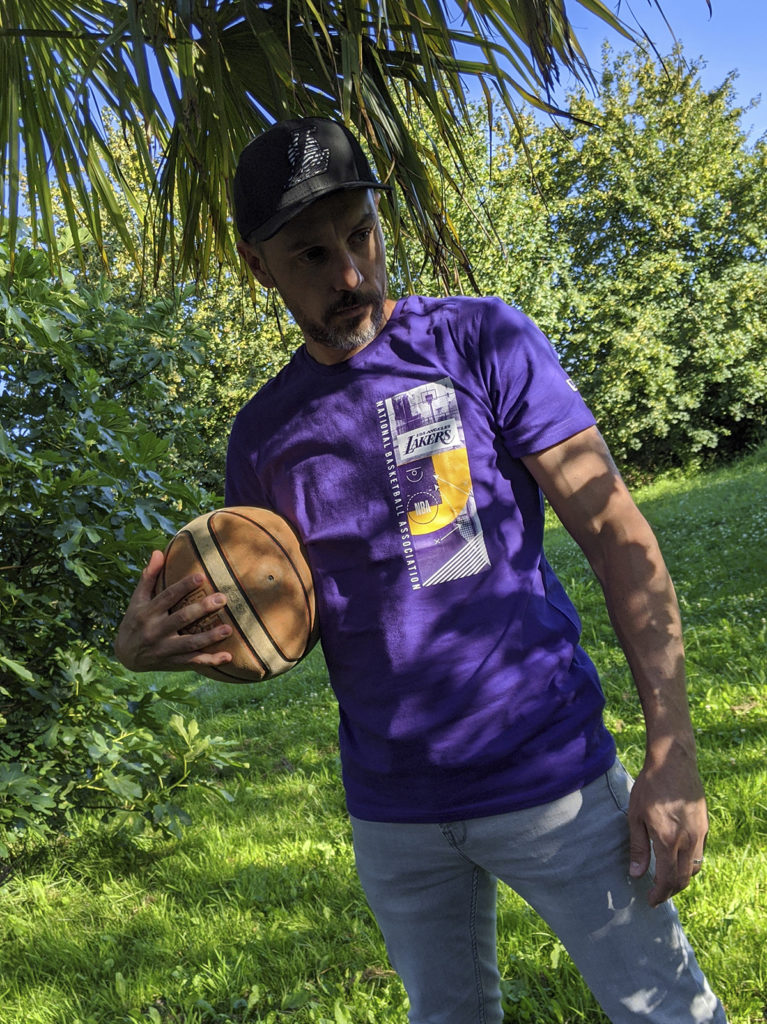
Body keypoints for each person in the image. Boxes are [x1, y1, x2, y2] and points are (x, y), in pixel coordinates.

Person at [115, 117, 727, 1024]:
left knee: (665, 1012)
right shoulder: (263, 436)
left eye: (360, 233)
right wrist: (155, 646)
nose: (350, 274)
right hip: (392, 813)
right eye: (311, 254)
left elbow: (614, 533)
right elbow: (273, 620)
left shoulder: (482, 341)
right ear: (258, 267)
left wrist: (671, 752)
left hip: (550, 777)